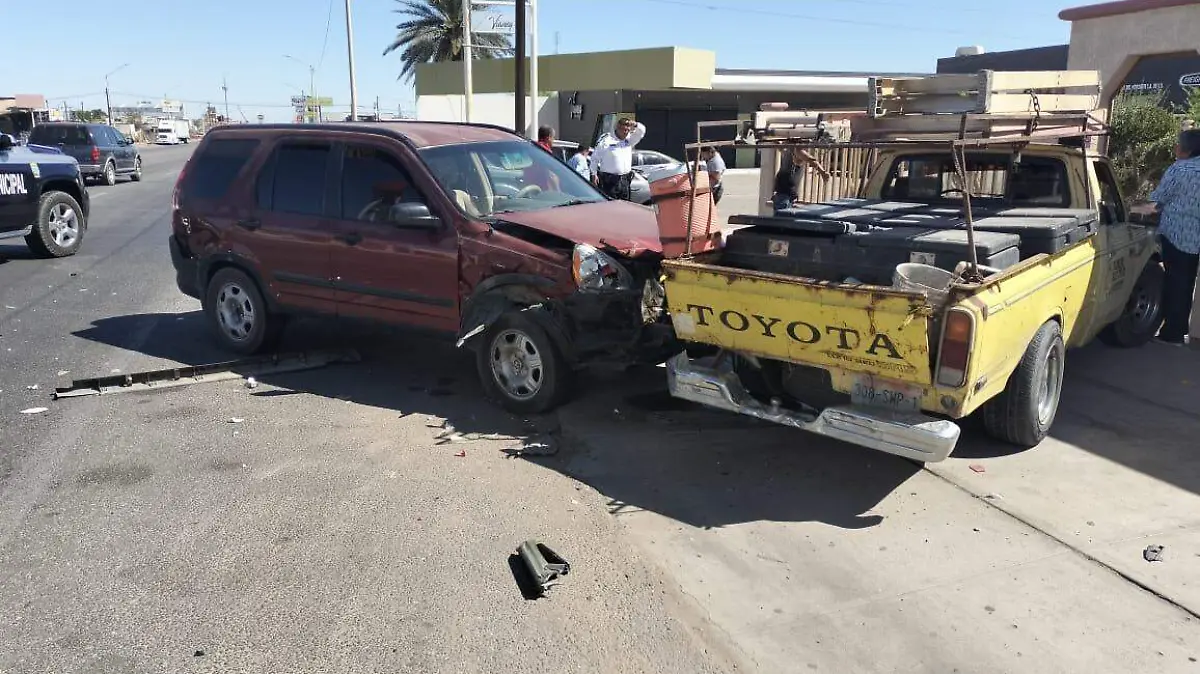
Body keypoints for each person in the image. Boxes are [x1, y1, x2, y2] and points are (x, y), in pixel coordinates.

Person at [1140, 129, 1200, 346]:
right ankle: (1183, 330)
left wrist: (1133, 209)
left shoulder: (1180, 169)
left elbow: (1156, 203)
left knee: (1177, 283)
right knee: (1187, 283)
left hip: (1178, 235)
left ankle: (1174, 333)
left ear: (1186, 148)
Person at [590, 117, 646, 200]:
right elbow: (595, 157)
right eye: (624, 130)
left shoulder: (629, 140)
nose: (626, 132)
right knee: (610, 206)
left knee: (624, 205)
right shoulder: (606, 140)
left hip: (625, 180)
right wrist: (593, 174)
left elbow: (642, 131)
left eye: (628, 130)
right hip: (609, 180)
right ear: (618, 128)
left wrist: (635, 124)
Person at [771, 146, 831, 214]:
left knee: (781, 217)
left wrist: (822, 172)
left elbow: (810, 160)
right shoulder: (796, 150)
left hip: (785, 192)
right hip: (784, 192)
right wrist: (822, 172)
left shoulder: (792, 150)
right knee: (782, 218)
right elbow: (810, 160)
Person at [523, 125, 560, 193]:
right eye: (553, 138)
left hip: (530, 188)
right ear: (548, 137)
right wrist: (559, 192)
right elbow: (551, 175)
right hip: (544, 191)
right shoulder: (545, 151)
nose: (553, 140)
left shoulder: (532, 148)